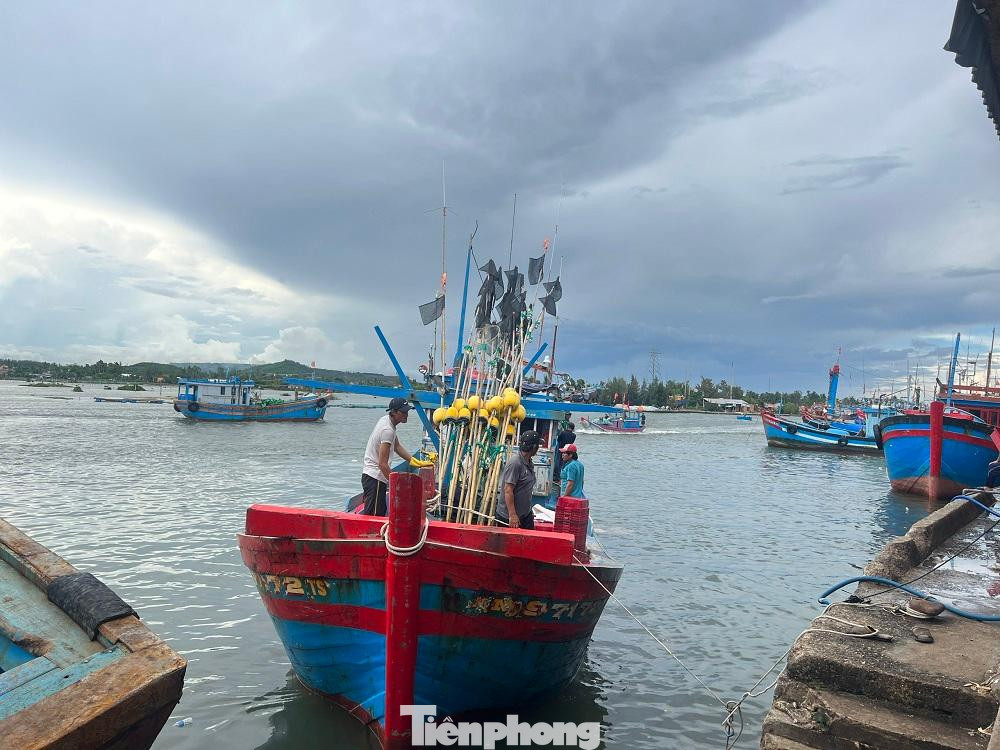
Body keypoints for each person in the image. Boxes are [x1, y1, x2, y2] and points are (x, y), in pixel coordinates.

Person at [362, 397, 431, 516]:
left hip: (373, 477)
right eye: (403, 412)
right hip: (375, 478)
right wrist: (396, 486)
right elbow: (382, 464)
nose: (406, 415)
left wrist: (413, 461)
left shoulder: (386, 421)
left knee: (378, 512)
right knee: (374, 517)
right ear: (393, 412)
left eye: (407, 411)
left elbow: (397, 446)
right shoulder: (387, 430)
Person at [497, 430, 540, 530]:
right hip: (509, 517)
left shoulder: (529, 462)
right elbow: (508, 490)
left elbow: (525, 489)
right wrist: (512, 515)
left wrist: (528, 509)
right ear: (534, 447)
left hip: (525, 515)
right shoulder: (515, 463)